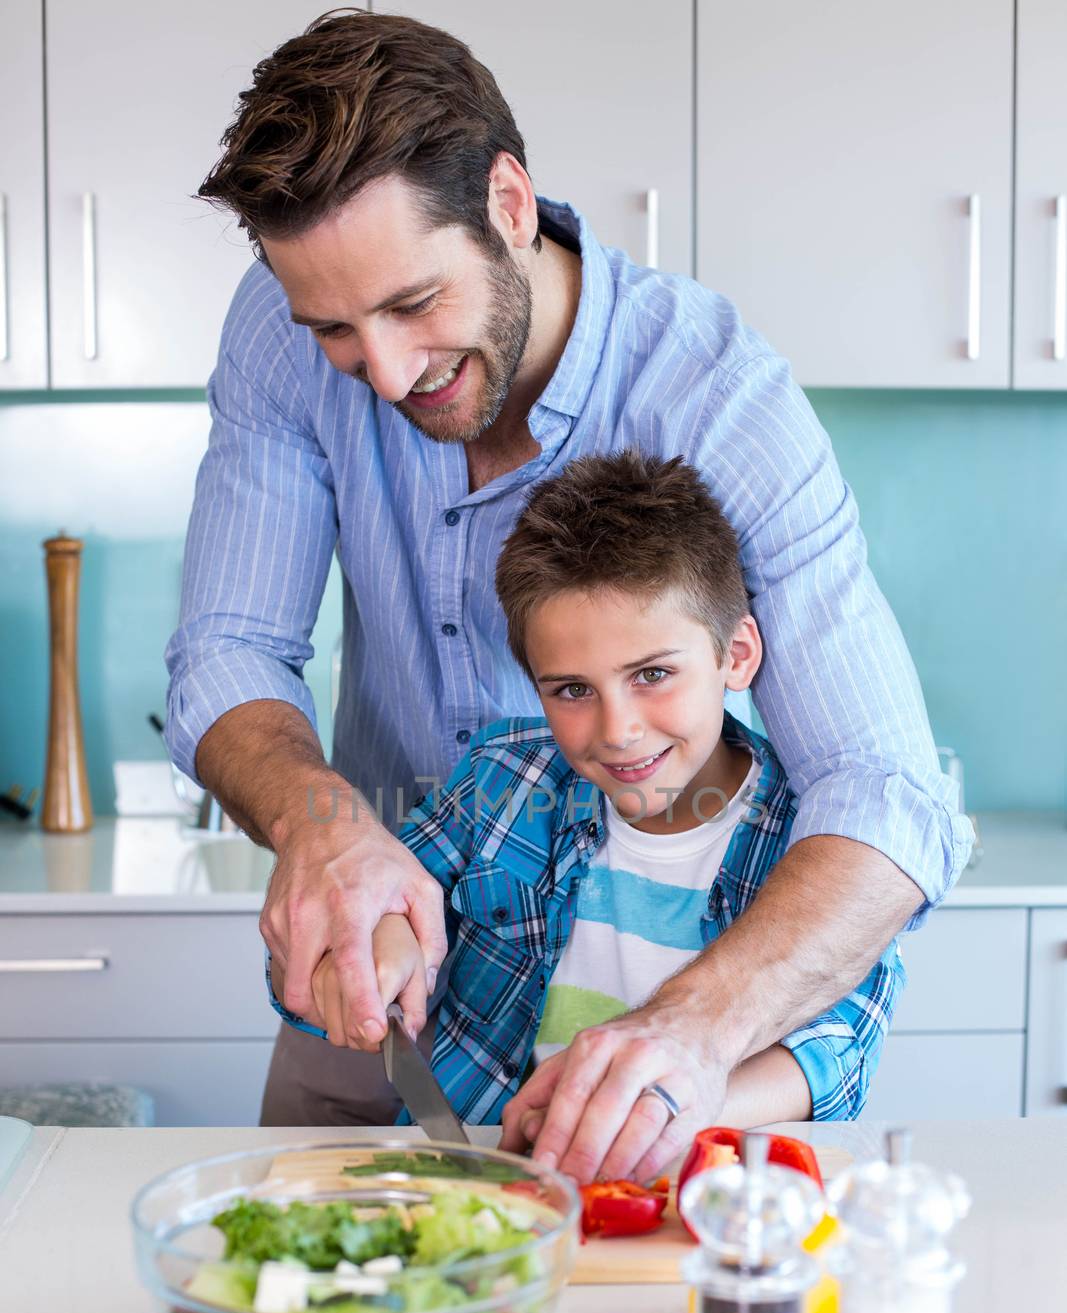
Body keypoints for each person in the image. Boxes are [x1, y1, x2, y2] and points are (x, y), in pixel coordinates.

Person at [165, 11, 970, 1178]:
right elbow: (228, 650)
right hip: (370, 989)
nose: (382, 373)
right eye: (334, 328)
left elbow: (886, 792)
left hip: (646, 1041)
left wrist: (687, 1035)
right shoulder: (276, 338)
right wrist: (320, 830)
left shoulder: (717, 399)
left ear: (506, 201)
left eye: (409, 305)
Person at [268, 451, 905, 1178]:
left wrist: (644, 1117)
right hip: (481, 1184)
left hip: (696, 1197)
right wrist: (379, 941)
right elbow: (383, 899)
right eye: (571, 689)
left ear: (735, 654)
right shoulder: (501, 778)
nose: (617, 728)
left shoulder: (817, 844)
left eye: (652, 675)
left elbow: (835, 1052)